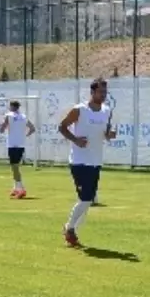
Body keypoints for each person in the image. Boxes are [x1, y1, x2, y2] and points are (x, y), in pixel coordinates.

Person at [58, 78, 115, 247]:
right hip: (79, 161)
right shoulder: (80, 110)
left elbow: (106, 131)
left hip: (96, 160)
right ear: (92, 92)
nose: (103, 95)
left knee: (87, 200)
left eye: (105, 92)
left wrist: (110, 134)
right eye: (100, 92)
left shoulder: (107, 110)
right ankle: (70, 229)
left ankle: (71, 230)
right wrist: (76, 140)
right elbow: (62, 127)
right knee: (86, 198)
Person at [0, 99, 36, 199]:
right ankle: (16, 188)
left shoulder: (8, 115)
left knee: (14, 167)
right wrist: (25, 136)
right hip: (21, 144)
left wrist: (2, 126)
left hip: (12, 144)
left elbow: (2, 129)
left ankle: (21, 189)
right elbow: (32, 128)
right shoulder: (23, 116)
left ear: (11, 106)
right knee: (15, 166)